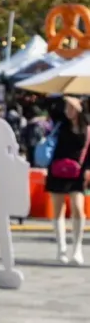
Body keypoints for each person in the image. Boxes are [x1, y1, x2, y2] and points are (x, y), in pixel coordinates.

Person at [45, 95, 90, 265]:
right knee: (58, 209)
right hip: (57, 169)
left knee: (78, 207)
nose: (68, 110)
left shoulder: (86, 127)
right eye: (66, 107)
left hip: (77, 173)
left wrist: (88, 169)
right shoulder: (61, 123)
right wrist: (64, 95)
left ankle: (77, 249)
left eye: (71, 107)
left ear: (79, 108)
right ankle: (61, 248)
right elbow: (49, 104)